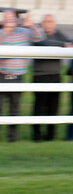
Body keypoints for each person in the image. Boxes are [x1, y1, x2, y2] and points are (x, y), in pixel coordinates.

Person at [0, 10, 45, 142]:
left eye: (11, 18)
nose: (8, 20)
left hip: (18, 77)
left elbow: (40, 38)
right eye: (6, 18)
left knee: (14, 109)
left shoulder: (24, 33)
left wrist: (32, 25)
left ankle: (12, 138)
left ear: (17, 20)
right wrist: (7, 32)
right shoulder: (1, 33)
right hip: (2, 75)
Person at [31, 14, 71, 142]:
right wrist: (62, 45)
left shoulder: (59, 34)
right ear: (42, 24)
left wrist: (63, 44)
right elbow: (43, 43)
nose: (48, 24)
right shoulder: (37, 34)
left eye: (51, 21)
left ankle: (50, 136)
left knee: (53, 107)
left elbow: (70, 44)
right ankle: (37, 136)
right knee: (39, 107)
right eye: (46, 21)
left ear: (54, 24)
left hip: (55, 75)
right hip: (40, 75)